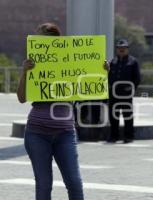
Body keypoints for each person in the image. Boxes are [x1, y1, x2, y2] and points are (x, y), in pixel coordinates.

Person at [17, 22, 84, 200]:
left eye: (42, 38)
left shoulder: (70, 62)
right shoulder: (32, 65)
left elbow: (89, 89)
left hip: (65, 133)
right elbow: (22, 98)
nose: (38, 41)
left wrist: (101, 72)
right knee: (44, 185)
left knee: (74, 183)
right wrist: (24, 73)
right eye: (36, 38)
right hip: (37, 133)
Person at [106, 39, 141, 143]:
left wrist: (131, 88)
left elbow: (137, 78)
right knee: (113, 115)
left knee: (127, 115)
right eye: (119, 48)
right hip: (113, 93)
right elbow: (107, 75)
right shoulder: (112, 61)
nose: (121, 50)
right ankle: (114, 136)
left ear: (127, 49)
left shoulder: (133, 62)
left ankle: (129, 136)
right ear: (117, 49)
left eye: (124, 48)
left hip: (126, 94)